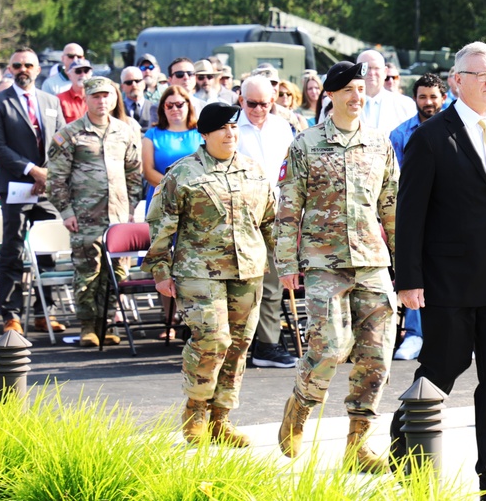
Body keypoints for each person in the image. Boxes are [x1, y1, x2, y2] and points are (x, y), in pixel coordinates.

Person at [389, 41, 486, 501]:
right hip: (449, 280)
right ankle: (406, 453)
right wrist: (409, 280)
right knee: (442, 370)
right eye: (482, 74)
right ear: (457, 81)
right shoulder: (431, 137)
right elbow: (410, 214)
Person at [275, 61, 399, 471]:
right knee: (328, 348)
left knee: (377, 356)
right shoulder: (305, 144)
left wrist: (407, 265)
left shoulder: (379, 143)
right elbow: (288, 209)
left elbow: (391, 208)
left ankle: (357, 446)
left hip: (371, 260)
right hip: (323, 261)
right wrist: (286, 263)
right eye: (347, 89)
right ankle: (300, 407)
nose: (356, 96)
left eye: (361, 89)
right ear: (329, 95)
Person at [144, 102, 275, 447]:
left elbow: (271, 220)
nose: (230, 134)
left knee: (239, 345)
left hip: (247, 270)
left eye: (234, 127)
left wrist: (287, 261)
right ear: (204, 134)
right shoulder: (183, 173)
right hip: (199, 271)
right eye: (222, 129)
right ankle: (196, 410)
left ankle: (221, 419)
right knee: (212, 340)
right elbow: (160, 225)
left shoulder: (252, 170)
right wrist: (160, 270)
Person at [46, 77, 142, 347]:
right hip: (85, 216)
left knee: (116, 272)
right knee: (88, 271)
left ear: (114, 99)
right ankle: (88, 326)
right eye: (96, 96)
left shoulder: (125, 132)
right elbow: (55, 178)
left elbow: (134, 172)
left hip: (119, 217)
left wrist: (132, 209)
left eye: (106, 96)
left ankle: (107, 324)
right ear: (86, 99)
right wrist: (66, 211)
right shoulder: (69, 134)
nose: (102, 101)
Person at [0, 48, 67, 335]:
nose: (23, 68)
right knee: (11, 251)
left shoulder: (51, 101)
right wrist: (31, 171)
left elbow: (61, 142)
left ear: (38, 69)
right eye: (17, 65)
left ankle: (43, 312)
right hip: (15, 188)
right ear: (10, 69)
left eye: (29, 64)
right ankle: (10, 315)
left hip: (47, 188)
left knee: (48, 250)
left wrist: (46, 174)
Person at [236, 76, 297, 369]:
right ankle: (239, 344)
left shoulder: (282, 127)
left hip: (276, 213)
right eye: (252, 104)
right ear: (240, 100)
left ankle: (267, 344)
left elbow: (290, 169)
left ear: (272, 102)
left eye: (264, 103)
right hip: (240, 217)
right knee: (242, 285)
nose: (258, 109)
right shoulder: (231, 129)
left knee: (272, 283)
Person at [388, 73, 446, 361]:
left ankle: (448, 336)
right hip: (413, 214)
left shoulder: (455, 129)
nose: (428, 102)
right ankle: (414, 334)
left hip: (448, 215)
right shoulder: (400, 135)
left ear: (443, 98)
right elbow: (394, 181)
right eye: (423, 96)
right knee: (413, 272)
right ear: (415, 99)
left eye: (433, 96)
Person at [142, 86, 200, 213]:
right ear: (163, 107)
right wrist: (176, 189)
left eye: (179, 104)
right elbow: (148, 171)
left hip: (196, 200)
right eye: (169, 105)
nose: (175, 109)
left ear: (188, 105)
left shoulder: (201, 134)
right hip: (162, 201)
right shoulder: (152, 135)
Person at [357, 50, 416, 135]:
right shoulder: (339, 103)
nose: (371, 73)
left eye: (376, 68)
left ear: (385, 72)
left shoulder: (406, 105)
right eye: (366, 68)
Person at [56, 57, 93, 124]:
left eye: (86, 71)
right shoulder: (59, 100)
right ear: (69, 75)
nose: (82, 75)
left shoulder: (97, 97)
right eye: (78, 71)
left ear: (91, 74)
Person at [120, 66, 151, 132]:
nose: (134, 85)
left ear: (144, 84)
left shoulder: (154, 108)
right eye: (129, 82)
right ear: (122, 87)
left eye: (137, 81)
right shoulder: (117, 109)